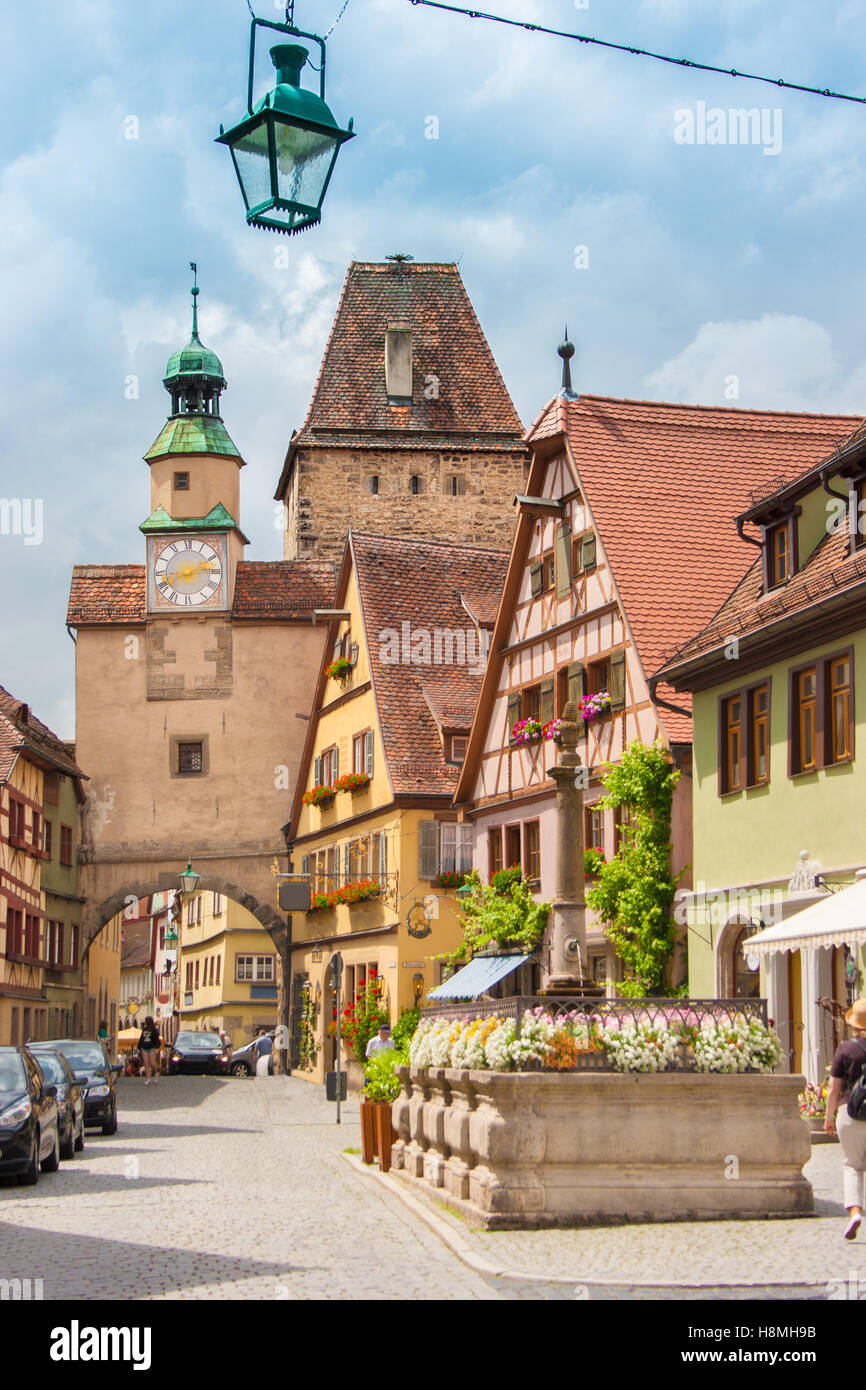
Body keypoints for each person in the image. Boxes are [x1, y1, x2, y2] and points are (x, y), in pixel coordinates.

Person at [824, 996, 866, 1240]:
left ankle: (855, 1213)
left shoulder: (845, 1050)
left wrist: (828, 1117)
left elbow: (833, 1089)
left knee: (852, 1165)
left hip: (850, 1113)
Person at [138, 1015, 161, 1085]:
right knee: (146, 1064)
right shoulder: (144, 1029)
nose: (146, 1022)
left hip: (152, 1048)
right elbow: (141, 1038)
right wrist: (139, 1047)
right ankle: (148, 1078)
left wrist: (157, 1048)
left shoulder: (154, 1030)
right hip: (144, 1048)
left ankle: (156, 1072)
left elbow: (157, 1040)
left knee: (152, 1063)